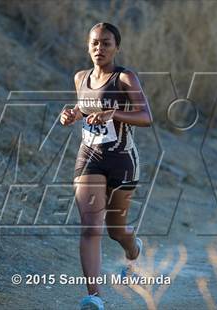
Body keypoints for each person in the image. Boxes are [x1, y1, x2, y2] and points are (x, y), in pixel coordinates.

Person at [60, 22, 152, 310]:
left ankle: (134, 251)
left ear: (117, 47)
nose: (99, 48)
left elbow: (146, 116)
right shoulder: (80, 78)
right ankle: (94, 297)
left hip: (122, 160)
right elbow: (85, 108)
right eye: (94, 43)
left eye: (106, 43)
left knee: (116, 230)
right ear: (88, 46)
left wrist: (114, 114)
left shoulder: (125, 78)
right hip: (89, 158)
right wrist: (72, 113)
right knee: (90, 228)